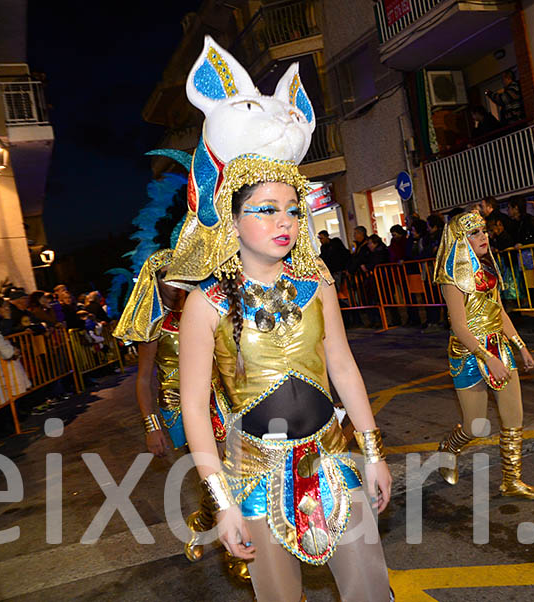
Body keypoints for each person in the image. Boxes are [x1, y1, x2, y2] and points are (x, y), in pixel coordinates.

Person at [166, 38, 391, 602]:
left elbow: (342, 366)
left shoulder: (318, 286)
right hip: (253, 475)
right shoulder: (208, 303)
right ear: (231, 219)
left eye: (292, 208)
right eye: (265, 210)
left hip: (334, 456)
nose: (284, 221)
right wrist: (221, 504)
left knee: (370, 591)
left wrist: (374, 452)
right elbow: (194, 406)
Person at [112, 249, 242, 576]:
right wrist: (151, 425)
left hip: (218, 398)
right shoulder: (154, 327)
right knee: (210, 470)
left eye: (180, 275)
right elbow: (143, 380)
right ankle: (233, 550)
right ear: (156, 283)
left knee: (230, 471)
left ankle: (205, 522)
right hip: (179, 410)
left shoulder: (204, 309)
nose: (175, 284)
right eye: (168, 278)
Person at [433, 211, 534, 499]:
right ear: (460, 240)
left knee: (513, 418)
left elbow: (500, 313)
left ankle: (512, 480)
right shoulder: (451, 276)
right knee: (476, 426)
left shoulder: (489, 269)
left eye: (483, 231)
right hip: (468, 355)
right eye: (474, 233)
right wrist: (487, 358)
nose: (483, 236)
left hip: (499, 349)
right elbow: (459, 327)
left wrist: (520, 346)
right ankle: (449, 448)